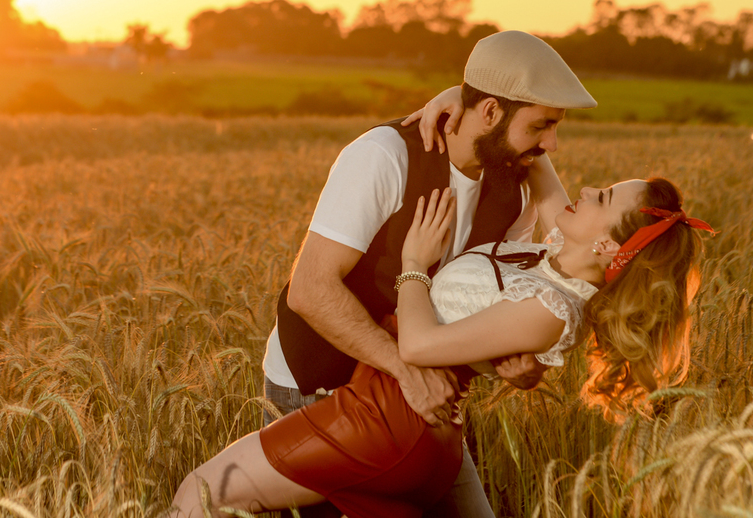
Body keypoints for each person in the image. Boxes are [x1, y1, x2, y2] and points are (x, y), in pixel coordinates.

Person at [170, 175, 711, 518]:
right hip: (403, 417)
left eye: (604, 197)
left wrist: (413, 262)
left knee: (199, 493)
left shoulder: (551, 306)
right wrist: (450, 100)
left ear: (607, 246)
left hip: (387, 421)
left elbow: (421, 346)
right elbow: (542, 157)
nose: (588, 190)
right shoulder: (549, 257)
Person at [260, 30, 596, 517]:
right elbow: (310, 290)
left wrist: (520, 358)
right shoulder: (385, 155)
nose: (553, 143)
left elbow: (518, 290)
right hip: (317, 386)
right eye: (542, 126)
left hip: (419, 395)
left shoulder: (515, 189)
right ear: (489, 113)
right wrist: (403, 367)